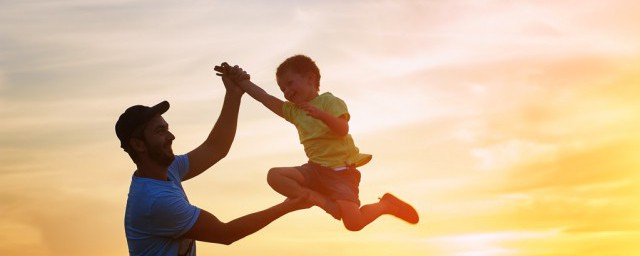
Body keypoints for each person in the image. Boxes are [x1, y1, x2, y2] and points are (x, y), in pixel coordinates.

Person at [115, 67, 311, 256]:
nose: (171, 136)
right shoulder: (155, 201)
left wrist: (234, 94)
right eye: (160, 131)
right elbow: (225, 233)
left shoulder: (168, 170)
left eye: (166, 128)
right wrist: (288, 206)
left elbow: (216, 148)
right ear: (138, 145)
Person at [216, 55, 419, 232]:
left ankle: (385, 205)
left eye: (290, 84)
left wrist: (321, 115)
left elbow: (342, 129)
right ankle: (320, 201)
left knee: (354, 223)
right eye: (282, 88)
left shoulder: (329, 102)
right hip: (314, 171)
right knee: (274, 176)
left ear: (310, 79)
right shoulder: (294, 111)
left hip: (341, 174)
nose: (286, 91)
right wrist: (240, 80)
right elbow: (264, 97)